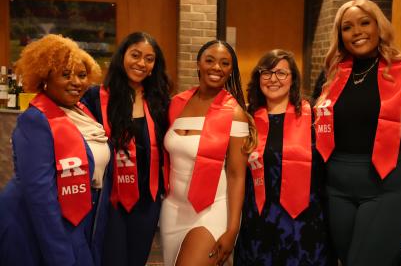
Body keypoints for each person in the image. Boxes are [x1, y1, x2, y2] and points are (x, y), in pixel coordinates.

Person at [313, 0, 401, 265]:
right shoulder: (331, 75)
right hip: (338, 188)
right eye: (347, 27)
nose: (357, 32)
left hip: (391, 185)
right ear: (340, 35)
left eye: (365, 23)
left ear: (379, 26)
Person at [0, 34, 110, 265]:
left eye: (82, 75)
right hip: (34, 224)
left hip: (76, 218)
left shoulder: (82, 112)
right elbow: (40, 195)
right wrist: (60, 255)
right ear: (45, 78)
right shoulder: (35, 120)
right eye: (66, 74)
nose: (76, 82)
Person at [160, 40, 256, 266]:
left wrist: (232, 229)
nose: (216, 67)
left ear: (231, 70)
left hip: (211, 209)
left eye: (225, 63)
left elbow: (236, 174)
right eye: (210, 60)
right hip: (173, 209)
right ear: (198, 64)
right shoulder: (177, 103)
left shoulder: (235, 113)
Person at [234, 49, 332, 265]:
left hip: (305, 223)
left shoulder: (314, 117)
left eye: (281, 73)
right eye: (267, 73)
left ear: (293, 79)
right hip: (258, 220)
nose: (273, 79)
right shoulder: (247, 119)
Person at [81, 32, 171, 266]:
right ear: (123, 56)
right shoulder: (96, 97)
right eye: (135, 55)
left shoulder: (160, 101)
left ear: (154, 66)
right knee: (112, 259)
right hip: (111, 199)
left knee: (137, 259)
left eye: (149, 59)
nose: (141, 63)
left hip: (147, 199)